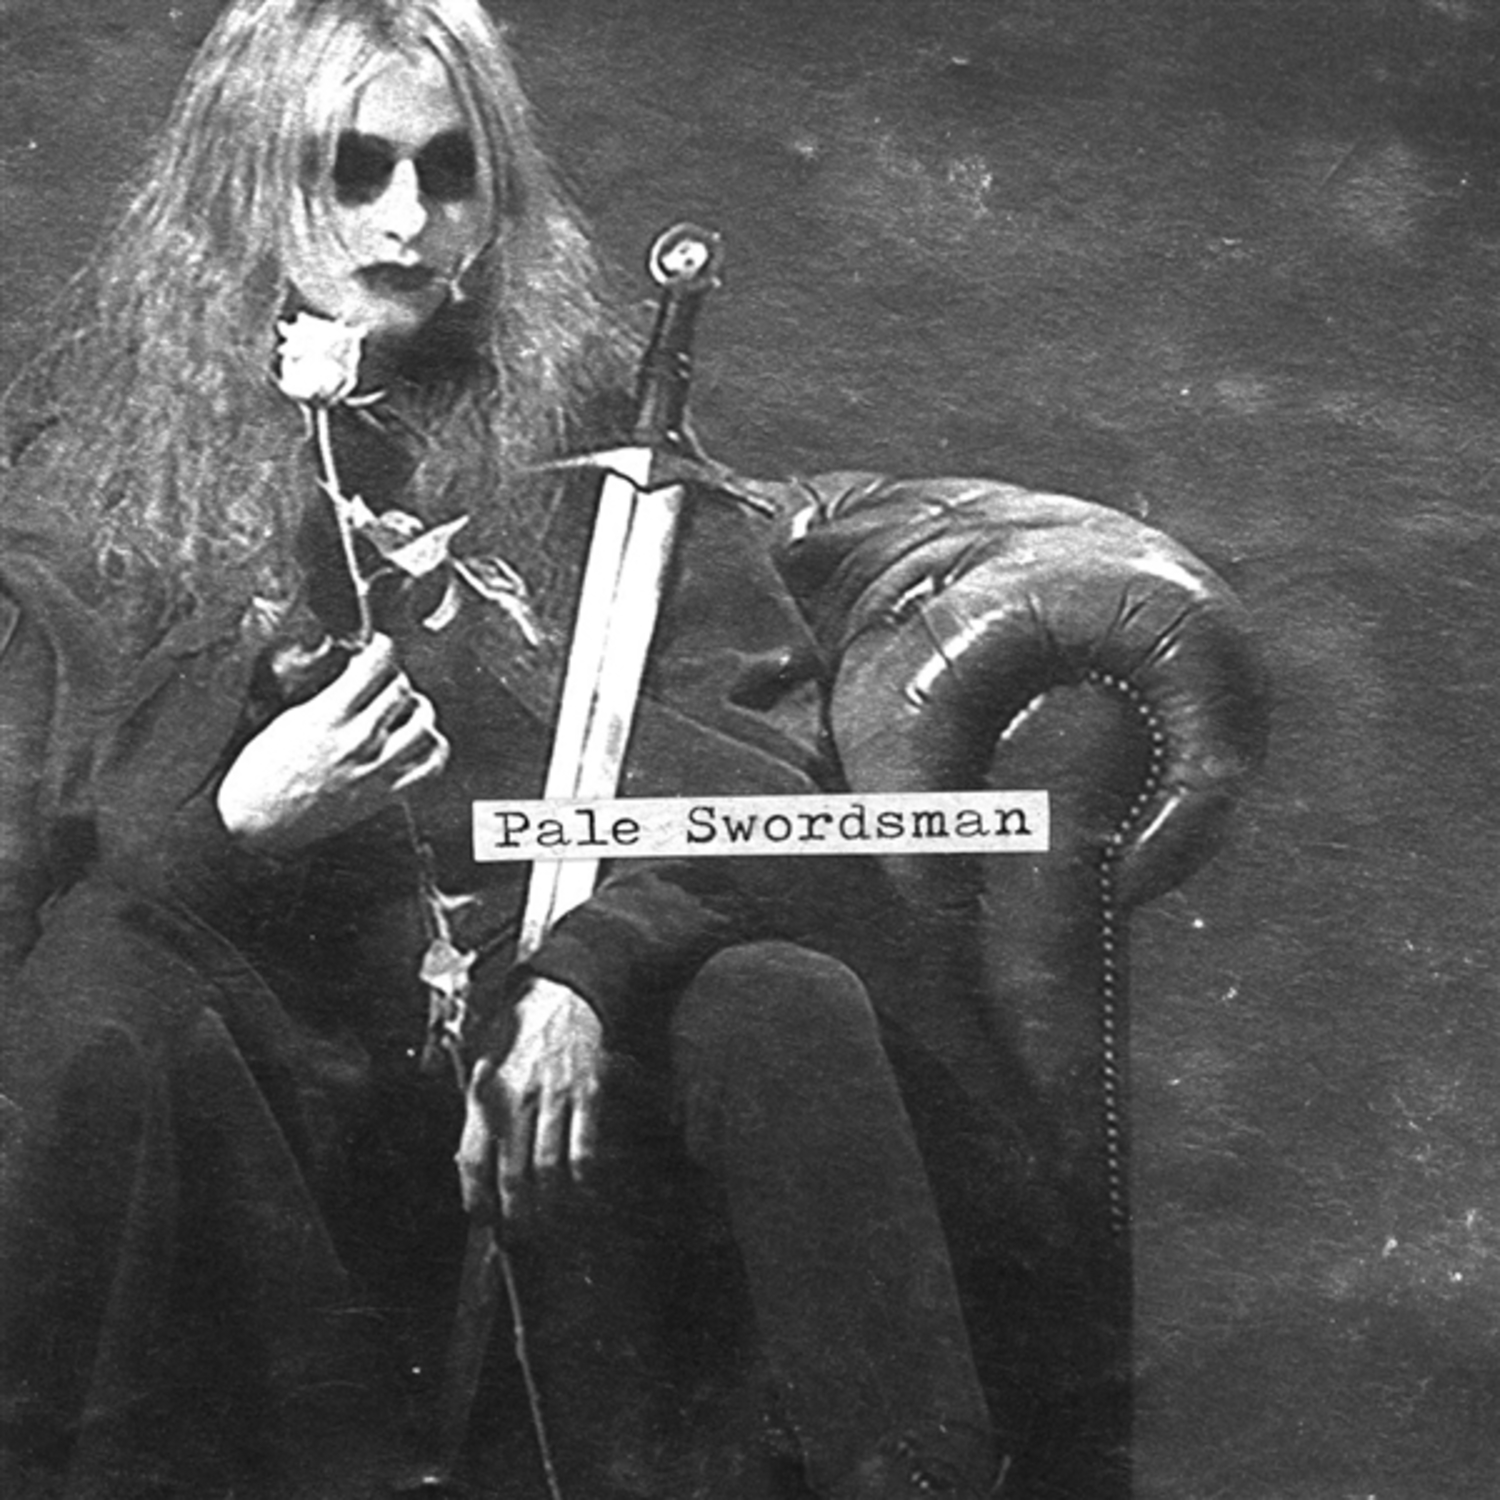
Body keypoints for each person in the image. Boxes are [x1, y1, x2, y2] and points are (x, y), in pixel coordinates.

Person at [0, 4, 1003, 1498]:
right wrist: (237, 822)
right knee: (104, 978)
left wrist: (586, 973)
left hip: (546, 1049)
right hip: (258, 1077)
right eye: (350, 170)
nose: (407, 221)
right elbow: (44, 870)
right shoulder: (100, 448)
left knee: (782, 1001)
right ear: (243, 181)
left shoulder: (593, 426)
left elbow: (756, 777)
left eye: (447, 170)